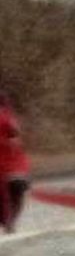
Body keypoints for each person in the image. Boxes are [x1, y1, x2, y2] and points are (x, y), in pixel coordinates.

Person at [0, 91, 27, 234]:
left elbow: (15, 136)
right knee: (16, 190)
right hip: (9, 160)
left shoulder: (7, 116)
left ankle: (9, 224)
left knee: (16, 189)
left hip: (11, 160)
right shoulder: (7, 116)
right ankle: (9, 224)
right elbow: (15, 136)